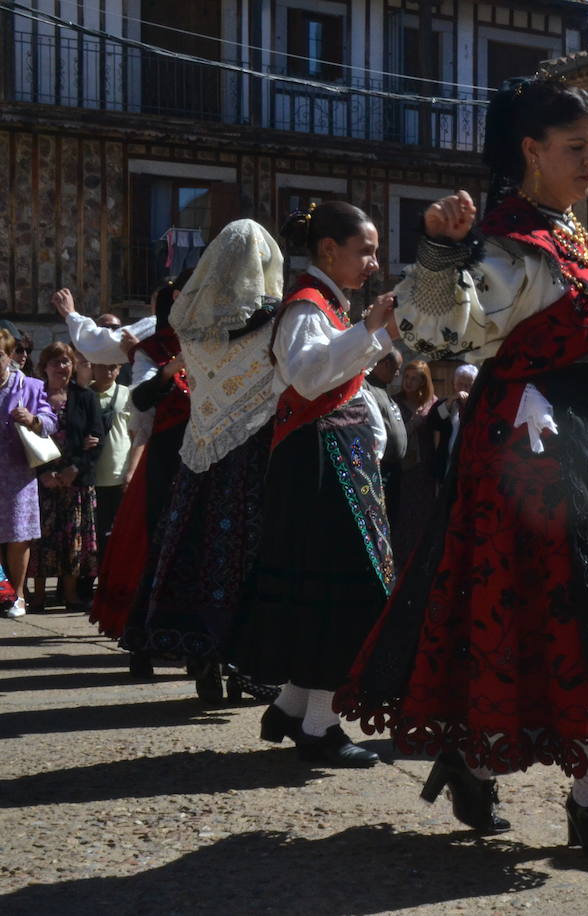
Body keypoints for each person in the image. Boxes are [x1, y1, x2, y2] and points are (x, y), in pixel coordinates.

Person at [337, 76, 588, 859]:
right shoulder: (511, 243)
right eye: (577, 148)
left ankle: (486, 761)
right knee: (543, 611)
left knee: (587, 610)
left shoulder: (569, 234)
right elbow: (443, 331)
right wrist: (441, 250)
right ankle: (587, 798)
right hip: (530, 458)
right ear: (532, 152)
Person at [228, 201, 397, 767]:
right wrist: (370, 329)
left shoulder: (327, 304)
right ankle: (320, 727)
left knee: (328, 583)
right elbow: (307, 375)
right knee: (340, 584)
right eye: (365, 250)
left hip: (332, 458)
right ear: (330, 249)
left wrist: (371, 333)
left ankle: (293, 705)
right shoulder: (306, 304)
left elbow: (339, 370)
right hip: (321, 462)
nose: (373, 261)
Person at [124, 219, 285, 704]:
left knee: (200, 553)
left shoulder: (191, 325)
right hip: (254, 455)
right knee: (247, 558)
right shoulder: (275, 321)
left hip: (200, 454)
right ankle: (241, 665)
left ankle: (204, 659)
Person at [87, 281, 191, 677]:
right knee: (154, 549)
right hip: (165, 464)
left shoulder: (214, 343)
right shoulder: (153, 350)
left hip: (206, 461)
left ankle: (196, 645)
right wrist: (173, 367)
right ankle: (142, 645)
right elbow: (141, 399)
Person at [26, 341, 103, 613]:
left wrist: (74, 468)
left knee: (73, 540)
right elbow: (23, 440)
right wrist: (45, 473)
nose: (62, 367)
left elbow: (97, 439)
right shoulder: (34, 397)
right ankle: (37, 596)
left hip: (75, 481)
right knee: (39, 539)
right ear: (43, 366)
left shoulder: (85, 397)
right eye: (56, 361)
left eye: (67, 361)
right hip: (41, 481)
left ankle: (69, 595)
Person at [1, 328, 57, 618]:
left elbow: (51, 422)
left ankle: (18, 595)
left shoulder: (30, 386)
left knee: (17, 537)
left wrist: (34, 419)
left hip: (17, 474)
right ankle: (3, 593)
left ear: (9, 356)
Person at [390, 359, 438, 565]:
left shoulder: (432, 403)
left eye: (414, 379)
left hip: (424, 469)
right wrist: (412, 424)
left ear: (423, 382)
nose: (408, 382)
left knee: (422, 515)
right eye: (406, 377)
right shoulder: (395, 403)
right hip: (401, 469)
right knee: (401, 514)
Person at [88, 361, 135, 554]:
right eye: (102, 366)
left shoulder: (127, 394)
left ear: (119, 369)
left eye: (112, 367)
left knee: (118, 534)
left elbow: (136, 435)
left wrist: (132, 471)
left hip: (119, 476)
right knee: (93, 536)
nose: (107, 371)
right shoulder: (83, 393)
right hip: (90, 477)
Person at [365, 349, 408, 524]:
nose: (397, 374)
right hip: (380, 468)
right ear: (382, 363)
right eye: (395, 368)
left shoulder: (383, 390)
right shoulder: (367, 387)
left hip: (394, 469)